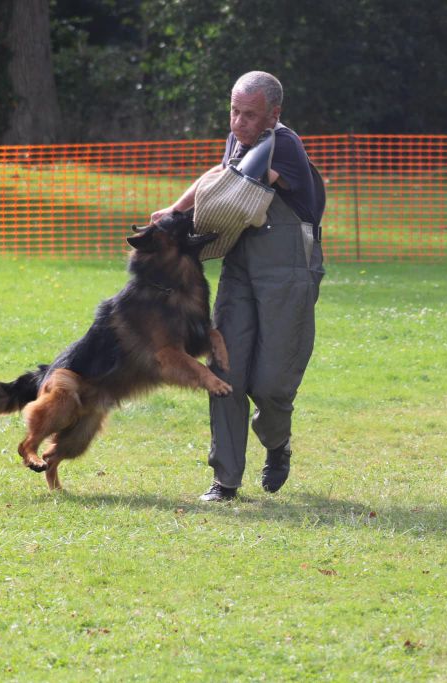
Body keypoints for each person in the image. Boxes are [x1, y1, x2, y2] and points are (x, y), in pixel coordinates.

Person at [150, 71, 325, 502]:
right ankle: (225, 481)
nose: (238, 122)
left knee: (270, 384)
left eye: (249, 115)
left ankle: (276, 443)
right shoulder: (240, 141)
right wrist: (174, 210)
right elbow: (221, 171)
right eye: (234, 111)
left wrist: (184, 225)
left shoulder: (283, 145)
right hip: (241, 270)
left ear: (273, 114)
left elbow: (232, 193)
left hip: (288, 272)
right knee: (225, 373)